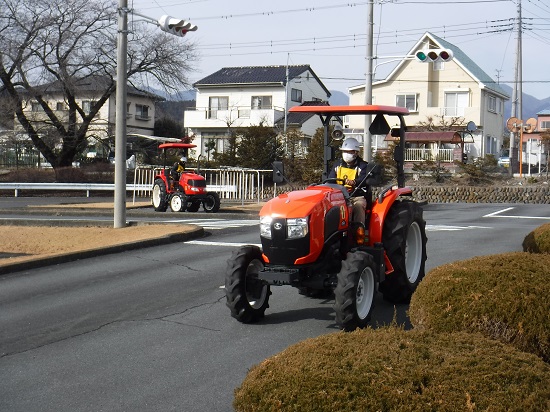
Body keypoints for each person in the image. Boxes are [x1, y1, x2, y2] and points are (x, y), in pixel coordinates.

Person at [328, 137, 381, 227]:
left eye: (349, 152)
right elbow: (331, 179)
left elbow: (363, 179)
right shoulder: (337, 164)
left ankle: (358, 232)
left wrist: (354, 182)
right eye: (344, 151)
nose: (346, 154)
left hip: (356, 196)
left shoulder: (363, 166)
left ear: (356, 153)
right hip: (339, 196)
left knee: (358, 207)